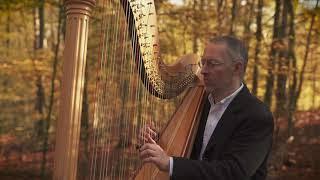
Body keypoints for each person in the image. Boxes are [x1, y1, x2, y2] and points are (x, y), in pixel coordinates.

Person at [139, 36, 274, 180]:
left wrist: (170, 164)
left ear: (237, 68)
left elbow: (234, 172)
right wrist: (156, 141)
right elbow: (188, 150)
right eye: (203, 63)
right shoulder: (200, 103)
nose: (203, 70)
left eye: (212, 64)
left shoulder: (257, 116)